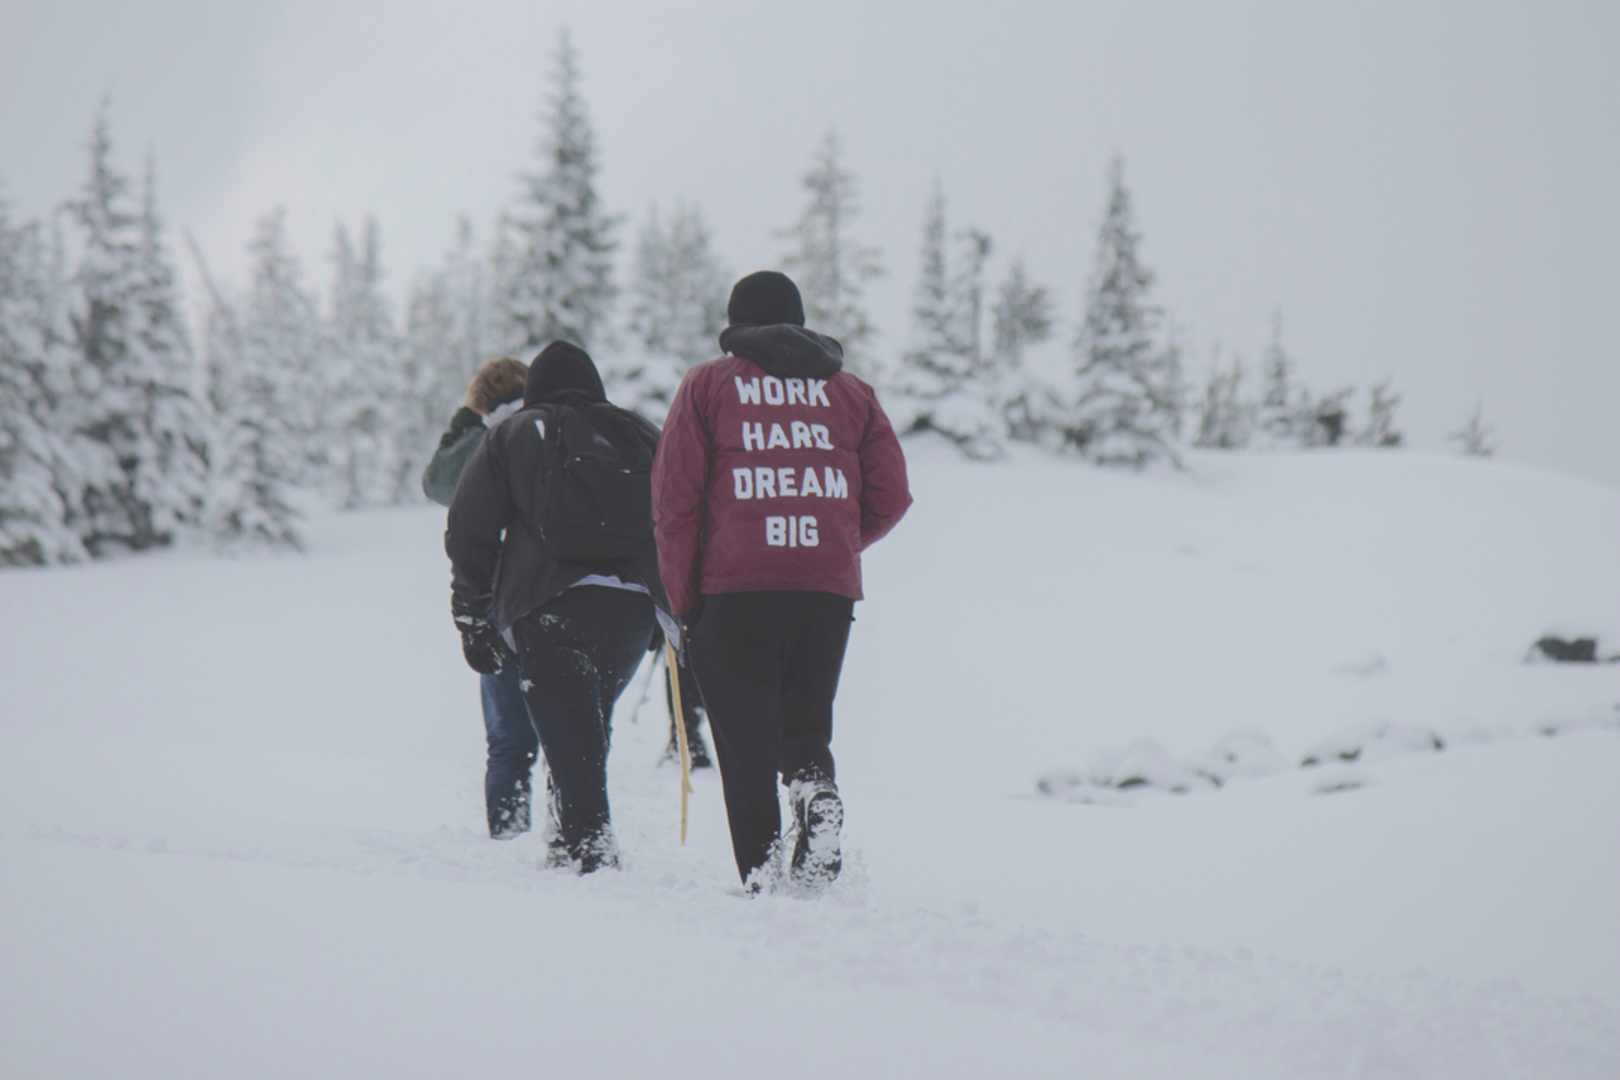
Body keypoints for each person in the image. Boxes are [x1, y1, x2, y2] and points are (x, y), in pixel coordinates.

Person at [651, 270, 911, 892]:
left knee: (744, 745)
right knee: (804, 725)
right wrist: (834, 547)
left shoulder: (708, 386)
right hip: (825, 592)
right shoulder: (851, 392)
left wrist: (683, 600)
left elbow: (674, 502)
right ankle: (816, 793)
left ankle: (764, 880)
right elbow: (892, 495)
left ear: (737, 324)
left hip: (734, 591)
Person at [446, 341, 674, 873]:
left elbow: (469, 530)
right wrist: (675, 608)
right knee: (587, 722)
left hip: (549, 604)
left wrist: (471, 614)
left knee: (572, 729)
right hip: (633, 608)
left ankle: (588, 851)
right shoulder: (639, 432)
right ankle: (567, 832)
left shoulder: (514, 434)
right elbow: (679, 518)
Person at [422, 357, 539, 840]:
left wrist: (469, 416)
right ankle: (572, 831)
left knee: (509, 738)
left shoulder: (485, 441)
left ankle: (509, 835)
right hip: (559, 594)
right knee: (570, 732)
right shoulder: (549, 431)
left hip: (500, 600)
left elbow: (436, 481)